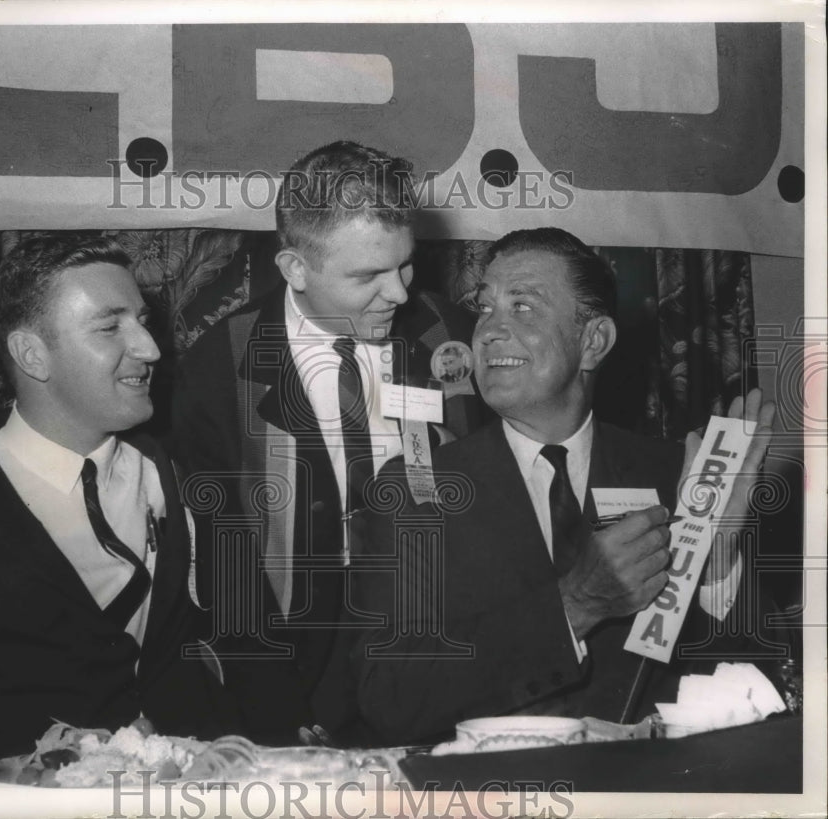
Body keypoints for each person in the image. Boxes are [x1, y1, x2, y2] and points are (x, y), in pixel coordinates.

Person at [352, 227, 778, 745]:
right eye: (485, 309)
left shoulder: (678, 475)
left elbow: (767, 683)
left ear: (593, 341)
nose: (487, 331)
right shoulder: (416, 491)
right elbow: (390, 700)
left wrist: (716, 568)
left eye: (522, 307)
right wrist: (574, 605)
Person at [169, 141, 490, 743]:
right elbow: (222, 557)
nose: (398, 293)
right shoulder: (219, 367)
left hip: (432, 635)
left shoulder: (452, 334)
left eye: (405, 265)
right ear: (296, 269)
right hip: (295, 651)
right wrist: (271, 704)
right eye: (367, 275)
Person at [0, 236, 236, 768]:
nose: (150, 348)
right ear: (32, 355)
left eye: (142, 320)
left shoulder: (175, 471)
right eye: (109, 326)